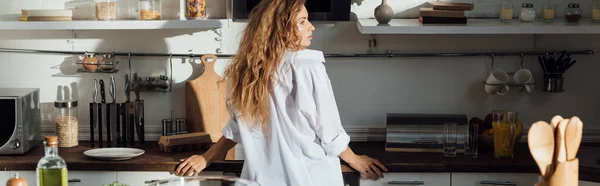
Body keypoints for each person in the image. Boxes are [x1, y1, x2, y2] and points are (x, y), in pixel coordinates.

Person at [175, 0, 388, 185]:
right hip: (310, 178)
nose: (311, 27)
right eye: (302, 21)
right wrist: (354, 159)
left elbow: (238, 128)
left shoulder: (246, 70)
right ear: (280, 28)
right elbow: (328, 130)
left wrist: (206, 158)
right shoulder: (308, 65)